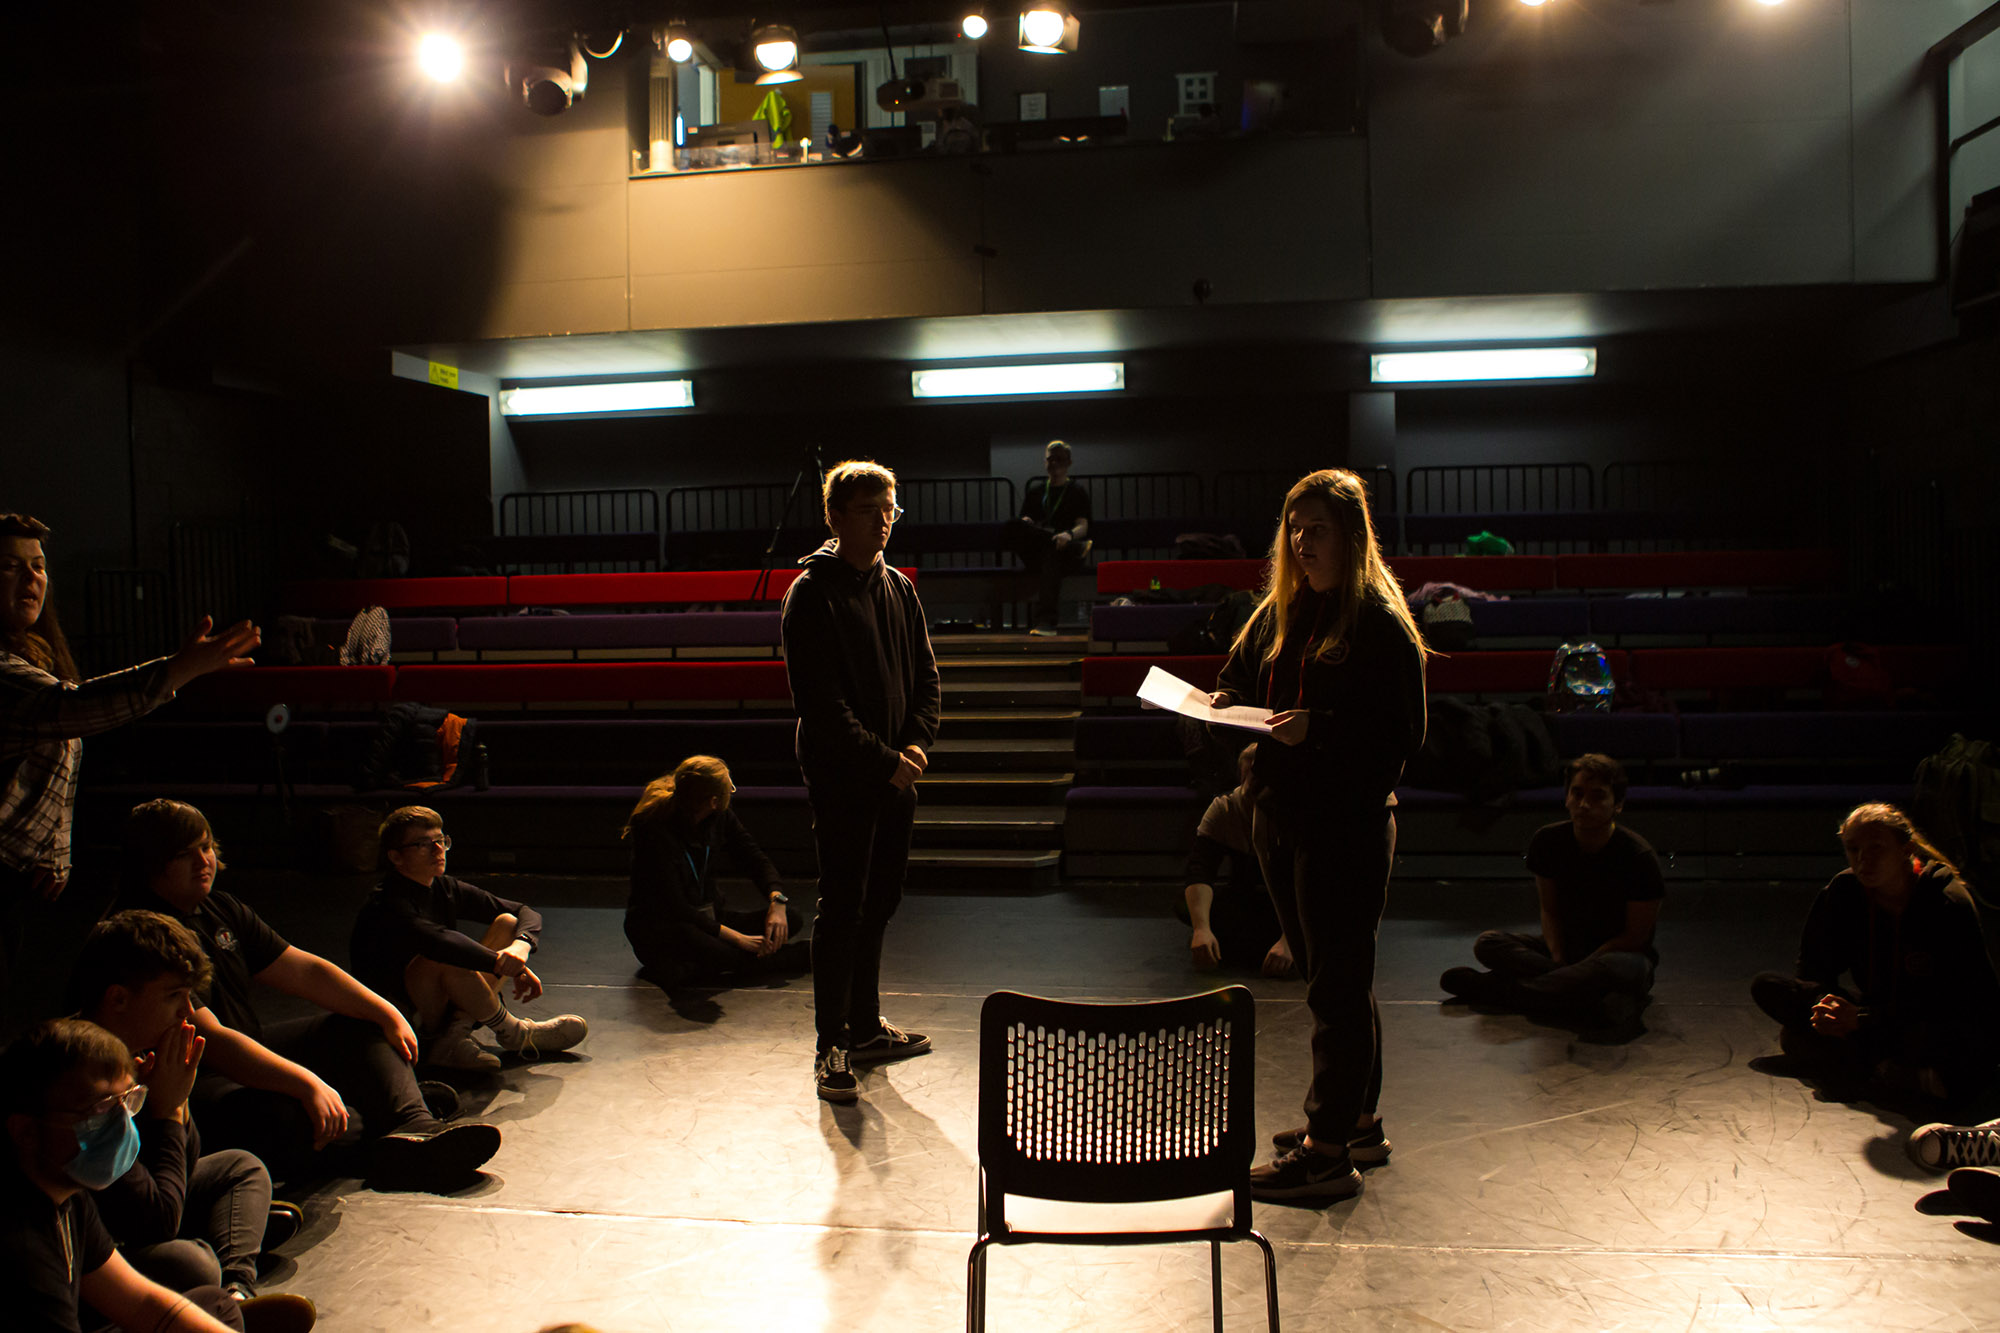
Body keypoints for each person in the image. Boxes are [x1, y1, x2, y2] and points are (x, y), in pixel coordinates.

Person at [1207, 468, 1427, 1202]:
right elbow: (1238, 676)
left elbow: (1402, 734)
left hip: (1344, 826)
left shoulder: (1378, 622)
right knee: (1332, 980)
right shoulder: (1283, 610)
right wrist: (1222, 700)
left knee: (1337, 989)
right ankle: (1357, 1118)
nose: (1302, 543)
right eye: (1294, 529)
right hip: (1282, 816)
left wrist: (1318, 731)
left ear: (1352, 536)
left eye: (1318, 530)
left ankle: (1327, 1151)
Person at [117, 800, 500, 1193]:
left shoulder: (218, 907)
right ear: (153, 862)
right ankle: (386, 1137)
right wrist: (307, 1085)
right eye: (185, 854)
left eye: (206, 847)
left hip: (246, 1048)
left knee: (362, 1026)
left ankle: (415, 1124)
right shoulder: (145, 931)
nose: (204, 861)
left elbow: (303, 969)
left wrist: (385, 1012)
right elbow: (210, 1041)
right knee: (309, 1119)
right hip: (195, 1079)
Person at [1, 512, 259, 1041]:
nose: (32, 580)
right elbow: (71, 710)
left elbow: (60, 752)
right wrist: (180, 668)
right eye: (10, 567)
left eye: (38, 567)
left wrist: (54, 847)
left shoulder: (35, 655)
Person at [780, 460, 941, 1104]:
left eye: (890, 510)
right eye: (873, 511)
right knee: (842, 907)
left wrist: (915, 746)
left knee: (881, 903)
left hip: (896, 773)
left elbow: (927, 678)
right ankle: (831, 1046)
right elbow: (822, 707)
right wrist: (886, 760)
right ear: (836, 517)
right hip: (847, 776)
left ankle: (866, 1025)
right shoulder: (811, 593)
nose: (884, 523)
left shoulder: (899, 588)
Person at [69, 911, 310, 1312]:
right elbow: (157, 1222)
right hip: (96, 1243)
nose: (187, 1012)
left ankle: (237, 1288)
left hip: (148, 1200)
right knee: (190, 1264)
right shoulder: (84, 1077)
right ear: (117, 999)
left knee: (242, 1167)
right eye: (172, 997)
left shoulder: (139, 1052)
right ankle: (222, 1259)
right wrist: (168, 1110)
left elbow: (187, 1161)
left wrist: (174, 1107)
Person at [0, 1017, 270, 1333]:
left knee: (214, 1306)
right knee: (194, 1273)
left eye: (127, 1101)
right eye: (102, 1109)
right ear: (26, 1131)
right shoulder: (21, 1247)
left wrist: (175, 1104)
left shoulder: (67, 1196)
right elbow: (161, 1219)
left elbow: (141, 1302)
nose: (121, 1122)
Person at [1751, 802, 2000, 1116]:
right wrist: (1826, 1008)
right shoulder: (1844, 891)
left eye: (1876, 849)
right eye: (1853, 849)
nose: (1862, 860)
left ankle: (1870, 1068)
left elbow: (1968, 1003)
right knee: (1769, 986)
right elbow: (1813, 968)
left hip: (1926, 1020)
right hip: (1869, 1016)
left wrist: (1864, 1020)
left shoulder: (1945, 901)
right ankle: (1892, 1072)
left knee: (1964, 1051)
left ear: (1905, 850)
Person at [349, 807, 587, 1074]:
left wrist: (521, 945)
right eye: (422, 845)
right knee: (443, 957)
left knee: (507, 923)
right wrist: (508, 965)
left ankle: (452, 1038)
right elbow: (441, 944)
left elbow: (523, 912)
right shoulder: (389, 902)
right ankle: (515, 1032)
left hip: (437, 1002)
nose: (438, 850)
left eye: (441, 841)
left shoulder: (442, 886)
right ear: (396, 857)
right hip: (401, 1020)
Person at [1438, 754, 1664, 1027]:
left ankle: (1497, 990)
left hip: (1614, 957)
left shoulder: (1638, 856)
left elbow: (1634, 937)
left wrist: (1583, 966)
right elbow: (1550, 910)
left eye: (1597, 796)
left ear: (1617, 804)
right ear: (1566, 797)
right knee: (1489, 943)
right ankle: (1580, 995)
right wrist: (1560, 960)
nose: (1583, 804)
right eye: (1576, 793)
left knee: (1624, 970)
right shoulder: (1548, 841)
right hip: (1565, 950)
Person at [621, 755, 809, 989]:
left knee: (791, 919)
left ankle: (697, 966)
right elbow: (676, 907)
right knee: (728, 954)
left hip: (708, 919)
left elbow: (754, 859)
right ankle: (806, 955)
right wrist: (738, 939)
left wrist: (777, 901)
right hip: (665, 927)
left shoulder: (718, 817)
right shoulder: (653, 829)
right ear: (712, 800)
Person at [1180, 743, 1293, 977]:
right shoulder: (1226, 807)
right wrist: (1201, 929)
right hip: (1250, 897)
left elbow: (1317, 886)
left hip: (1291, 905)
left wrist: (1290, 941)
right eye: (1249, 777)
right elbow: (1200, 869)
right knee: (1188, 907)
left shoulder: (1297, 812)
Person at [1005, 440, 1092, 636]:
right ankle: (1076, 546)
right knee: (1015, 526)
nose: (1054, 463)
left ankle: (1046, 621)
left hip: (1061, 554)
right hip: (1039, 549)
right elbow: (1025, 523)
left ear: (1068, 462)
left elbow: (1083, 525)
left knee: (1051, 555)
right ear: (1045, 462)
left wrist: (1068, 535)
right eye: (1051, 459)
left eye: (1059, 459)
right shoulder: (1035, 492)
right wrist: (1026, 521)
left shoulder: (1076, 492)